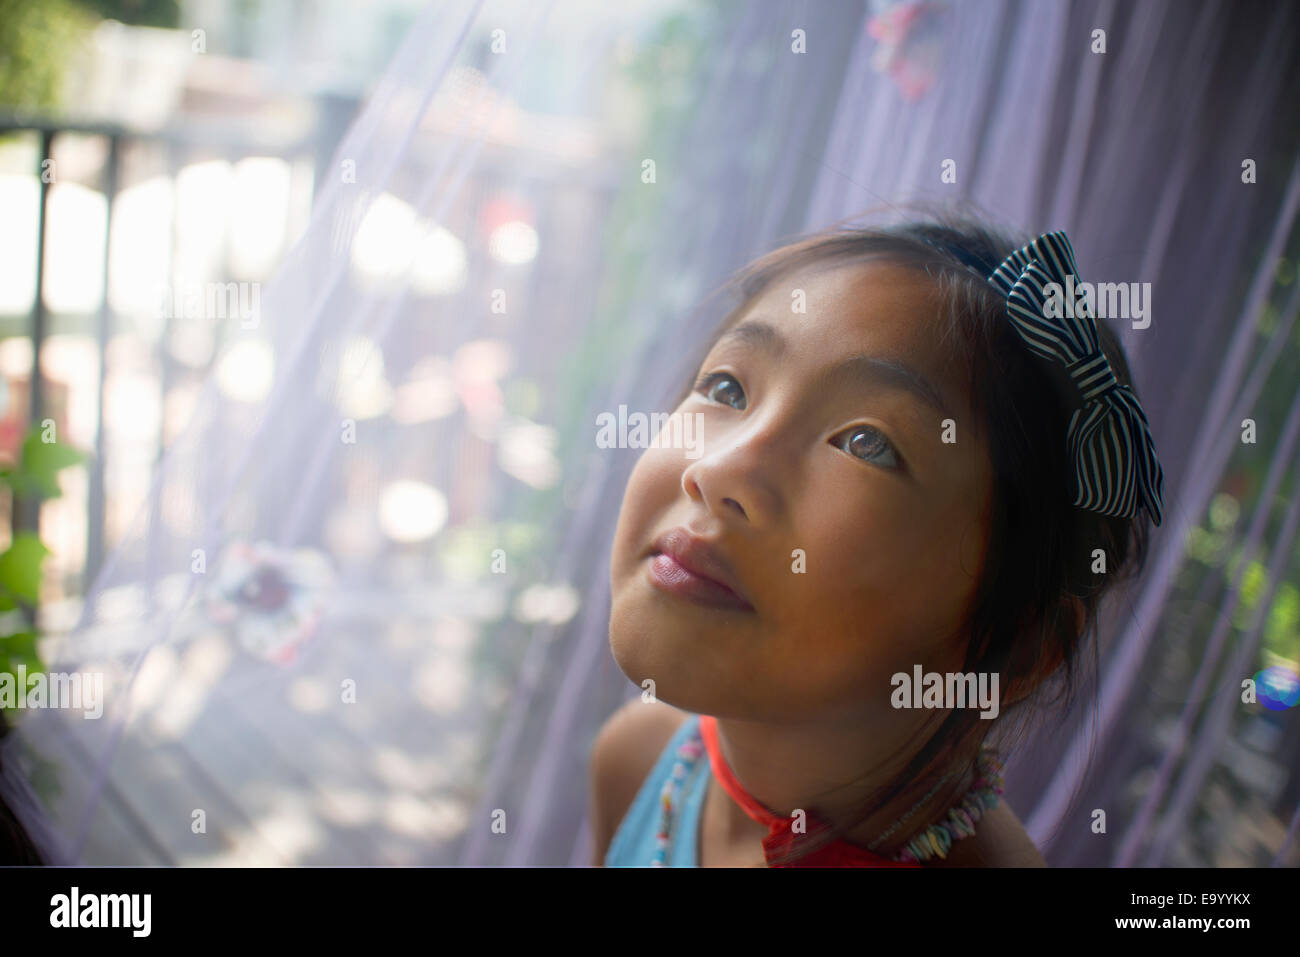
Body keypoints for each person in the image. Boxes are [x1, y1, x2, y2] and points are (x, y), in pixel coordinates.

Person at [590, 208, 1163, 867]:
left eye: (866, 443)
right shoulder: (638, 761)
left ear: (1022, 649)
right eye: (727, 386)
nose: (716, 469)